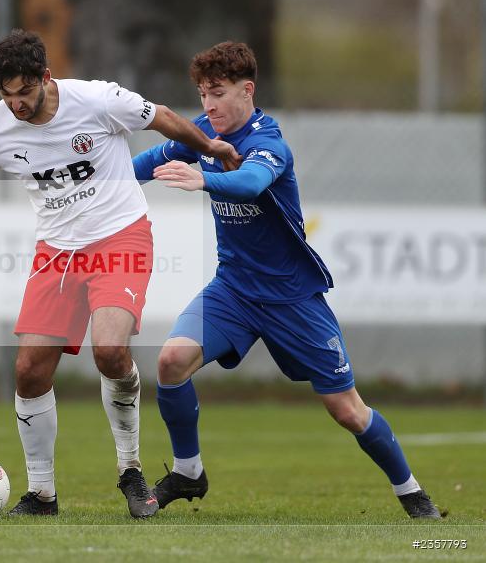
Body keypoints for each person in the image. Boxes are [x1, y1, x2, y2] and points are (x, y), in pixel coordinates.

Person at [0, 29, 240, 518]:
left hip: (120, 236)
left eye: (24, 93)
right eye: (7, 96)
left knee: (111, 351)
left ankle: (130, 470)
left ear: (45, 78)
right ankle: (42, 495)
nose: (17, 106)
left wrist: (212, 148)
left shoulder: (96, 99)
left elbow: (163, 119)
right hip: (56, 252)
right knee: (29, 371)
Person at [132, 41, 441, 519]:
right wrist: (96, 184)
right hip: (233, 289)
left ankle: (413, 494)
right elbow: (147, 162)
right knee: (171, 361)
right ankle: (188, 471)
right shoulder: (201, 132)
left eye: (216, 92)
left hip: (292, 298)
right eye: (202, 93)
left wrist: (204, 181)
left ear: (247, 90)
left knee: (347, 410)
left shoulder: (268, 143)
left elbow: (252, 182)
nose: (208, 104)